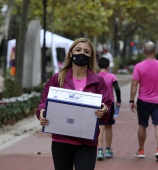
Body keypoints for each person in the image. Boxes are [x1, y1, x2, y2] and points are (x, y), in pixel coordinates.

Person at [36, 37, 112, 170]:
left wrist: (104, 110)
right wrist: (42, 112)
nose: (82, 53)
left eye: (86, 52)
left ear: (91, 56)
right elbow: (44, 101)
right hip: (61, 140)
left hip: (87, 142)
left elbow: (107, 105)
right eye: (78, 50)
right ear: (71, 53)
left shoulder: (98, 81)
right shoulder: (58, 78)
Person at [130, 41, 158, 161]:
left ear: (144, 52)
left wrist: (131, 100)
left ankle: (141, 150)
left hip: (143, 101)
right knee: (157, 125)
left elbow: (134, 84)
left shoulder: (139, 66)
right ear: (155, 51)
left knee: (142, 125)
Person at [96, 57, 121, 160]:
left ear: (98, 66)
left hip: (97, 103)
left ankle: (100, 151)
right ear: (108, 67)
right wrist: (119, 100)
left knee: (100, 127)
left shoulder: (95, 77)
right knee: (108, 126)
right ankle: (108, 150)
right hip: (109, 103)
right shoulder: (112, 76)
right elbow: (117, 89)